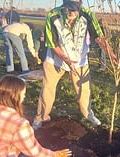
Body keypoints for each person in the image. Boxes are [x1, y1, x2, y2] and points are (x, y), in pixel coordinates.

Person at [32, 0, 105, 129]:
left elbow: (98, 36)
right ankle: (41, 117)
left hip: (79, 59)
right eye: (71, 10)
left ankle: (88, 114)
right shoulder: (52, 15)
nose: (74, 12)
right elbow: (52, 44)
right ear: (65, 6)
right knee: (48, 89)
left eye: (77, 8)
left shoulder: (87, 14)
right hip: (55, 59)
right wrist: (66, 60)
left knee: (84, 90)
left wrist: (110, 53)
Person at [0, 75, 72, 157]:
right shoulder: (19, 124)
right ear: (14, 97)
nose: (24, 97)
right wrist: (55, 155)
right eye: (23, 94)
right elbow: (34, 151)